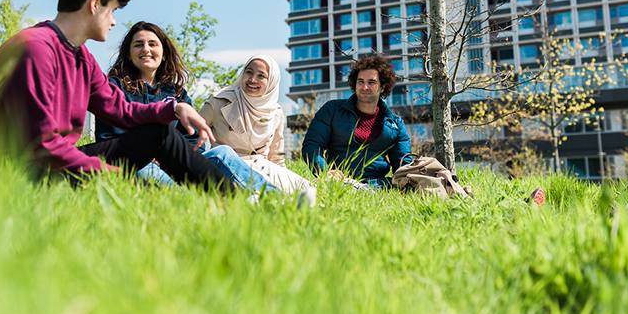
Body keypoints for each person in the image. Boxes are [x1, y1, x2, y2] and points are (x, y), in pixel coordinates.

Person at [0, 0, 232, 190]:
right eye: (112, 9)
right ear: (94, 4)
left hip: (53, 163)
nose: (114, 20)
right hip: (12, 172)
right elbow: (42, 148)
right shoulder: (34, 49)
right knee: (146, 191)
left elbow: (122, 110)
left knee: (157, 133)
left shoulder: (82, 57)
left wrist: (174, 109)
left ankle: (233, 200)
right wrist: (120, 178)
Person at [94, 22, 278, 194]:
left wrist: (178, 160)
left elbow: (192, 140)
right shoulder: (113, 86)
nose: (146, 49)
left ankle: (273, 198)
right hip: (136, 163)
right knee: (146, 171)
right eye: (138, 44)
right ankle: (201, 200)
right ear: (128, 53)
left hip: (175, 163)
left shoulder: (175, 93)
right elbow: (109, 137)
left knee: (223, 152)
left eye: (152, 44)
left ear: (164, 53)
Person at [200, 55, 315, 197]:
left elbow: (276, 158)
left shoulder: (276, 113)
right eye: (249, 72)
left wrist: (284, 177)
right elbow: (191, 135)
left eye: (261, 76)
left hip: (262, 168)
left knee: (305, 187)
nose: (252, 79)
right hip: (227, 166)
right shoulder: (219, 101)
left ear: (271, 82)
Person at [301, 54, 413, 188]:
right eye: (360, 81)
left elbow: (403, 165)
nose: (365, 87)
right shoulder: (331, 110)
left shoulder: (396, 124)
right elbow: (313, 145)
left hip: (377, 185)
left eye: (371, 82)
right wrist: (325, 173)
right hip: (337, 181)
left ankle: (360, 189)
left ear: (382, 87)